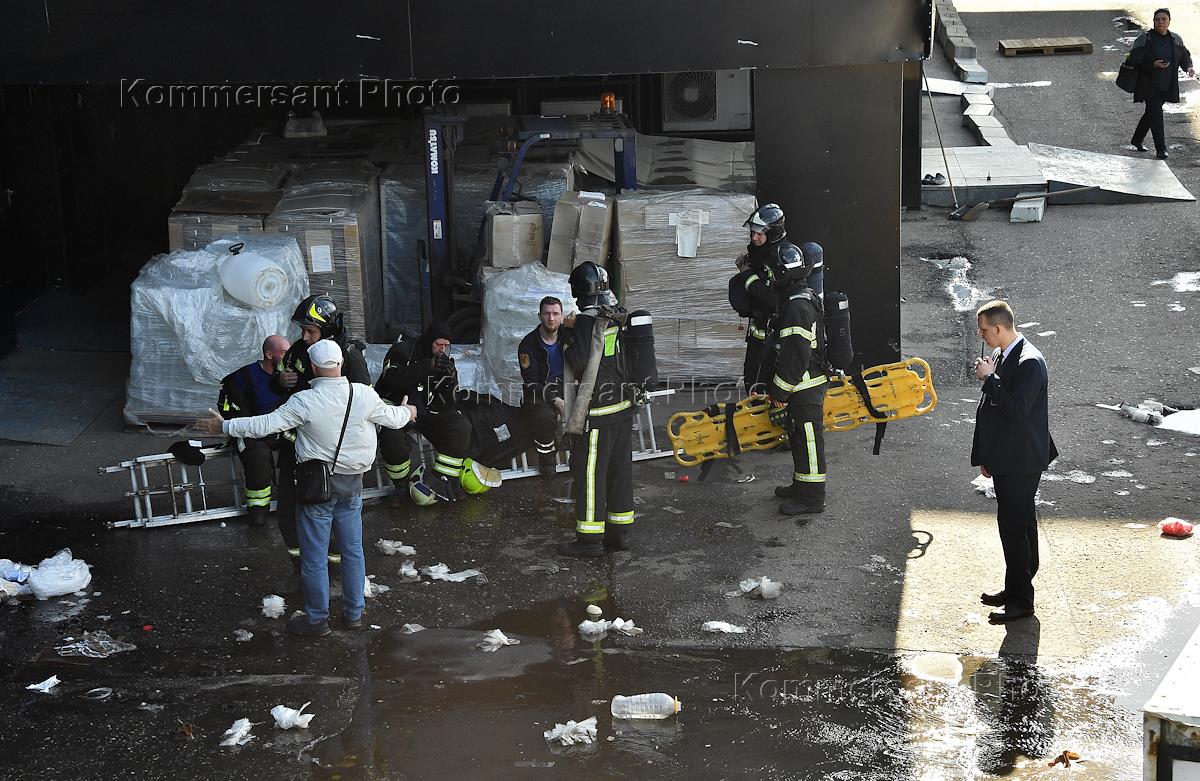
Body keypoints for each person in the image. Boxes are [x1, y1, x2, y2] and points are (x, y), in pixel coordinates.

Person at [197, 339, 417, 637]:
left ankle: (316, 620)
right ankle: (354, 615)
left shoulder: (305, 401)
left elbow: (263, 426)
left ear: (312, 367)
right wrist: (409, 411)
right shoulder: (363, 395)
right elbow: (394, 418)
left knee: (314, 556)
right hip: (352, 486)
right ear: (340, 364)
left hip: (317, 488)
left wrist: (224, 426)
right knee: (353, 551)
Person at [971, 300, 1058, 624]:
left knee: (1013, 527)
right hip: (1009, 457)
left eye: (983, 329)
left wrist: (990, 379)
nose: (980, 334)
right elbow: (994, 413)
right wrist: (987, 456)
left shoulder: (1029, 362)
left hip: (1022, 461)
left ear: (997, 327)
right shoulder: (1002, 355)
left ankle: (1022, 601)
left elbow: (1016, 409)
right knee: (1021, 525)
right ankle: (1017, 585)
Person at [271, 295, 370, 579]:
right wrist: (279, 382)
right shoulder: (296, 352)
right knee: (289, 508)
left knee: (334, 512)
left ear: (327, 330)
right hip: (295, 447)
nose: (304, 337)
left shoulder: (349, 357)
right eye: (303, 330)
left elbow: (364, 402)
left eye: (311, 331)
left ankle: (336, 570)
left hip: (333, 451)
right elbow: (278, 386)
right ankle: (301, 567)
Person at [556, 261, 636, 557]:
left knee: (590, 475)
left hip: (597, 415)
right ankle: (619, 534)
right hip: (624, 408)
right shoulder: (618, 317)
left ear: (579, 291)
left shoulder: (587, 322)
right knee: (619, 472)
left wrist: (568, 333)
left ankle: (589, 540)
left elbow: (577, 362)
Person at [375, 321, 481, 502]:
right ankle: (401, 485)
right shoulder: (402, 350)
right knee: (391, 437)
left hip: (427, 411)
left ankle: (442, 479)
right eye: (438, 344)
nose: (442, 349)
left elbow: (449, 403)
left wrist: (449, 382)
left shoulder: (444, 360)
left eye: (446, 346)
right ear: (429, 340)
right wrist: (427, 367)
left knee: (460, 426)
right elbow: (391, 380)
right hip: (399, 408)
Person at [767, 245, 829, 518]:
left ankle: (813, 498)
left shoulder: (796, 307)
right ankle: (801, 485)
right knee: (798, 438)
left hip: (804, 385)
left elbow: (794, 356)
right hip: (803, 383)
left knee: (809, 442)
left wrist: (779, 392)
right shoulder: (802, 295)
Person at [217, 334, 290, 527]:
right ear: (269, 354)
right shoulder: (244, 377)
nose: (288, 357)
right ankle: (258, 510)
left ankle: (298, 500)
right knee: (257, 457)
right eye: (283, 353)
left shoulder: (290, 375)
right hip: (252, 432)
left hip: (283, 429)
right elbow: (231, 410)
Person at [1128, 8, 1195, 159]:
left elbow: (1184, 56)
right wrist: (1152, 64)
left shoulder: (1175, 39)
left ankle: (1137, 139)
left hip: (1167, 84)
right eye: (1157, 19)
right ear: (1153, 21)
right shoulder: (1144, 39)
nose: (1160, 22)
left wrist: (1188, 68)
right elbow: (1133, 60)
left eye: (1164, 19)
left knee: (1151, 113)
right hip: (1147, 84)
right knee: (1156, 114)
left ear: (1169, 21)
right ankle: (1161, 149)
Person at [518, 296, 568, 473]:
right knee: (543, 417)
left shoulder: (569, 337)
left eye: (555, 313)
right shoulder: (527, 344)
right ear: (539, 316)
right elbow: (531, 382)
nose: (551, 318)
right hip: (538, 392)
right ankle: (548, 461)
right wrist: (556, 400)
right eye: (547, 313)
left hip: (566, 386)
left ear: (562, 316)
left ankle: (581, 454)